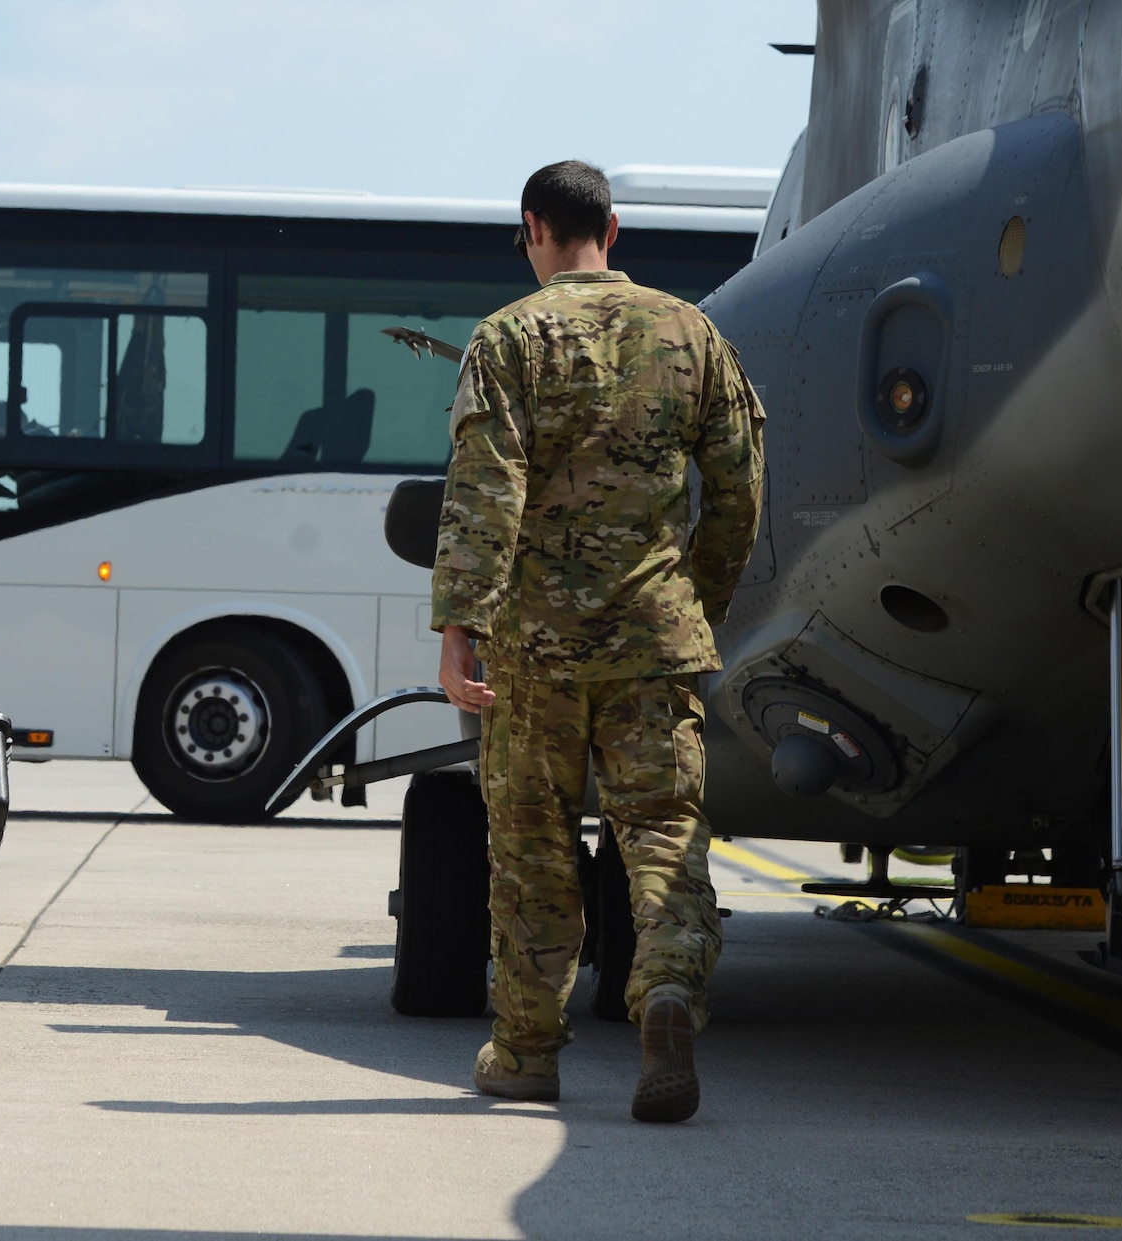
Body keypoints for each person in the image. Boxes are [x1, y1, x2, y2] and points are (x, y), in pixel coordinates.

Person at [431, 161, 765, 1123]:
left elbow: (484, 498)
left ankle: (529, 1052)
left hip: (537, 650)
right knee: (662, 833)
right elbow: (740, 490)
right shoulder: (690, 331)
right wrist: (690, 599)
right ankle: (665, 988)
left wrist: (463, 632)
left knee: (533, 843)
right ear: (612, 228)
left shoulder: (507, 339)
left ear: (533, 228)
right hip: (655, 638)